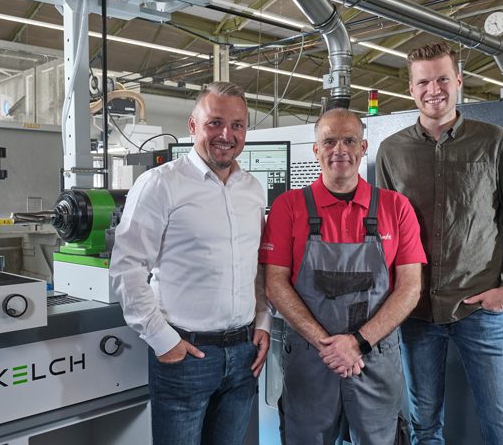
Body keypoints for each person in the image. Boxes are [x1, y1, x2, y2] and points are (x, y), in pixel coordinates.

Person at [375, 41, 503, 444]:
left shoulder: (494, 142)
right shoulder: (391, 151)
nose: (433, 89)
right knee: (424, 428)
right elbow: (382, 235)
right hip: (415, 314)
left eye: (442, 79)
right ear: (411, 88)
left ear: (459, 82)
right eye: (423, 82)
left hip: (480, 311)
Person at [109, 81, 271, 445]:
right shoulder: (160, 184)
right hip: (186, 355)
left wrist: (264, 319)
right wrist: (163, 339)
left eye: (237, 125)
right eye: (214, 122)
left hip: (244, 356)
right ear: (193, 126)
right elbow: (127, 267)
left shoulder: (252, 189)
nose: (226, 135)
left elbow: (256, 264)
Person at [260, 108, 426, 445]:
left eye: (349, 140)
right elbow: (274, 283)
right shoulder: (288, 207)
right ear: (316, 150)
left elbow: (410, 287)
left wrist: (358, 343)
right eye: (330, 141)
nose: (340, 149)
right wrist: (328, 346)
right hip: (310, 359)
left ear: (364, 147)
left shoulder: (396, 207)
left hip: (374, 359)